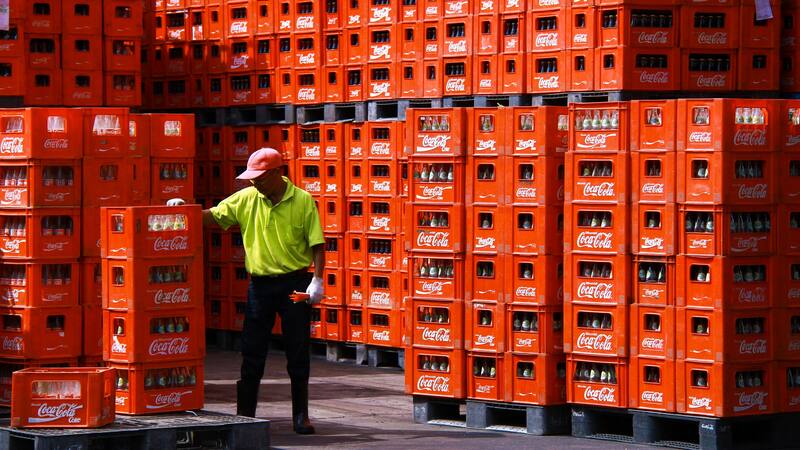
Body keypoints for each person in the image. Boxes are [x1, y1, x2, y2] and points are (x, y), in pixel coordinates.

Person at [168, 148, 325, 434]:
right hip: (260, 284)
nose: (254, 183)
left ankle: (300, 416)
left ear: (278, 173)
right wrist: (186, 210)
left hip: (295, 284)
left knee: (298, 351)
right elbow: (214, 217)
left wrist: (317, 280)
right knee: (252, 350)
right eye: (252, 178)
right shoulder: (246, 198)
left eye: (260, 178)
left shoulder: (302, 201)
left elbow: (317, 243)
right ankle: (245, 416)